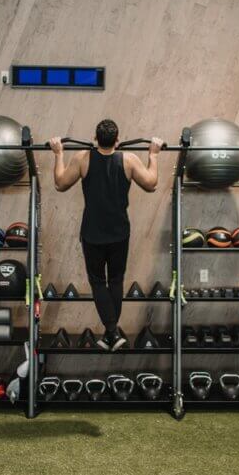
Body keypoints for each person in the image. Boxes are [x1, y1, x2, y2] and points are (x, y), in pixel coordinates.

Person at [49, 119, 162, 350]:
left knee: (99, 282)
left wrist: (58, 153)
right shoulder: (129, 160)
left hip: (92, 234)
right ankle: (112, 334)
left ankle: (111, 333)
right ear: (118, 140)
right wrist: (154, 155)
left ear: (95, 138)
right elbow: (151, 184)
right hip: (119, 233)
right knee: (116, 280)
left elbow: (60, 184)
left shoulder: (83, 158)